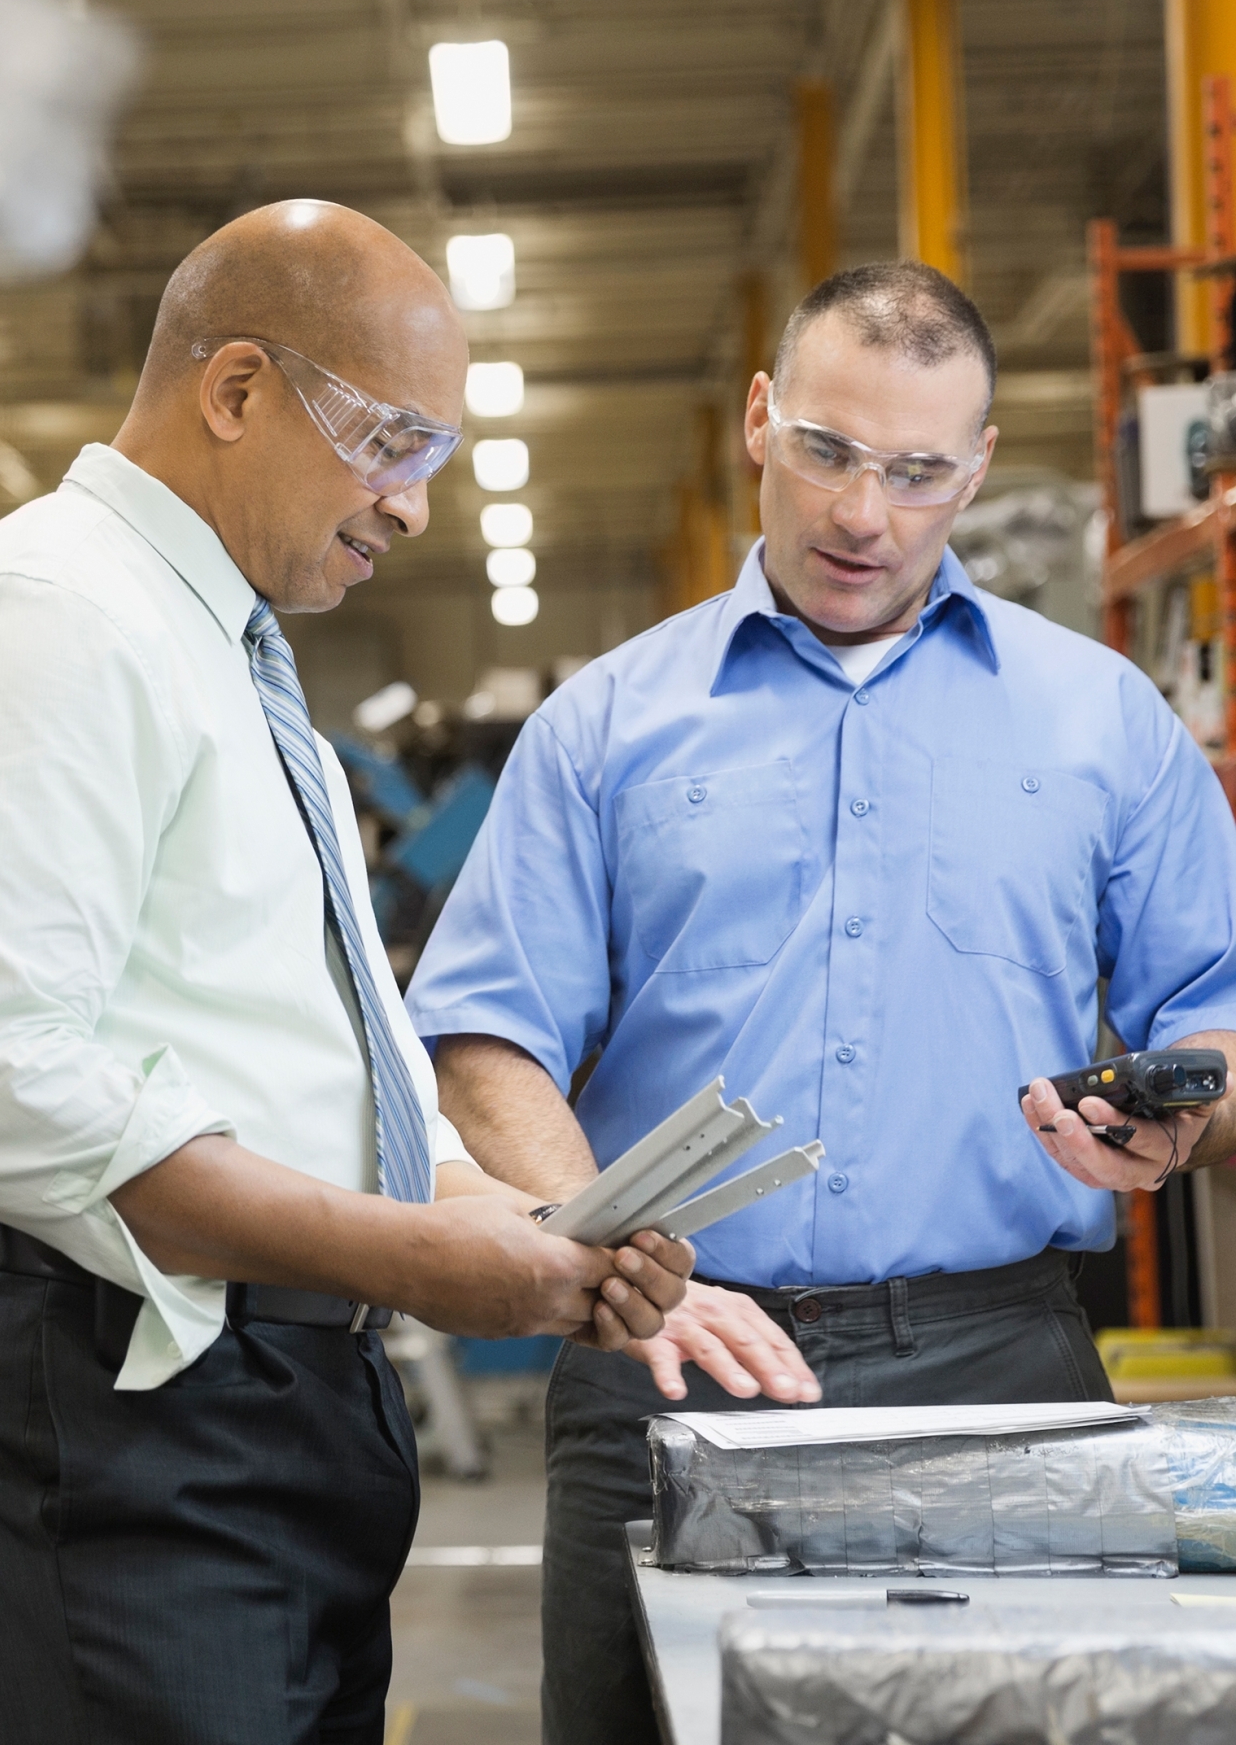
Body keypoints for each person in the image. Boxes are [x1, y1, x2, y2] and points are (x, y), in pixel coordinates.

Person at [407, 260, 1236, 1745]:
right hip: (665, 1360)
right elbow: (484, 1036)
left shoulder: (1099, 718)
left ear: (976, 469)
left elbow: (1220, 1011)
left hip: (994, 1369)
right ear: (757, 421)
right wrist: (606, 1258)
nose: (865, 513)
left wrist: (1184, 1113)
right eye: (830, 451)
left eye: (918, 472)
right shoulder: (604, 723)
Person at [0, 199, 694, 1745]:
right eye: (392, 443)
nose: (413, 508)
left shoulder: (230, 654)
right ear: (235, 390)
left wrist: (501, 1217)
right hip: (135, 1426)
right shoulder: (55, 615)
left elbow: (291, 1047)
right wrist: (405, 1259)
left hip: (273, 1425)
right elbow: (11, 1081)